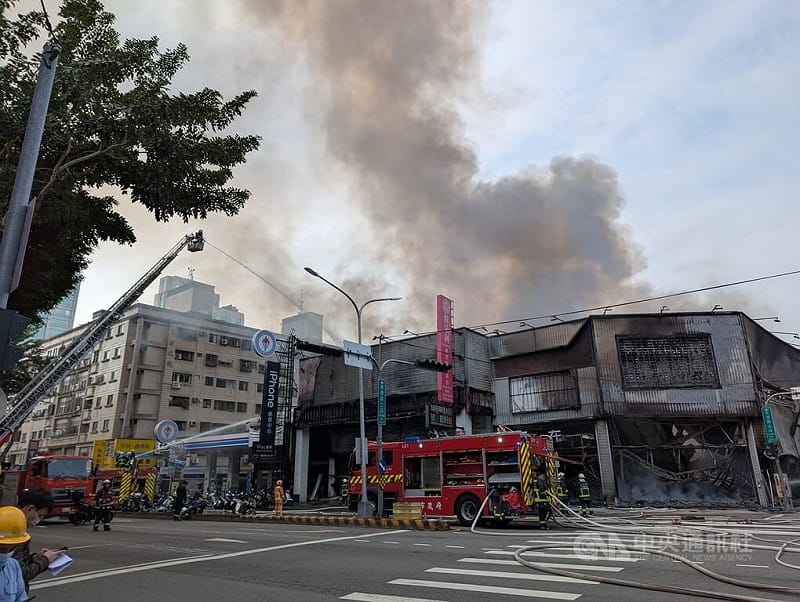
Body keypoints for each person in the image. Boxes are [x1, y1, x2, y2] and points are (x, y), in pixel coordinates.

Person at [13, 489, 62, 593]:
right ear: (29, 508)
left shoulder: (9, 522)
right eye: (40, 515)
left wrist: (34, 557)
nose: (38, 520)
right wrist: (45, 560)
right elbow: (18, 573)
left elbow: (15, 562)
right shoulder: (14, 532)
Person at [0, 506, 32, 601]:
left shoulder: (13, 565)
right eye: (1, 549)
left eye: (11, 548)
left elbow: (20, 597)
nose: (6, 553)